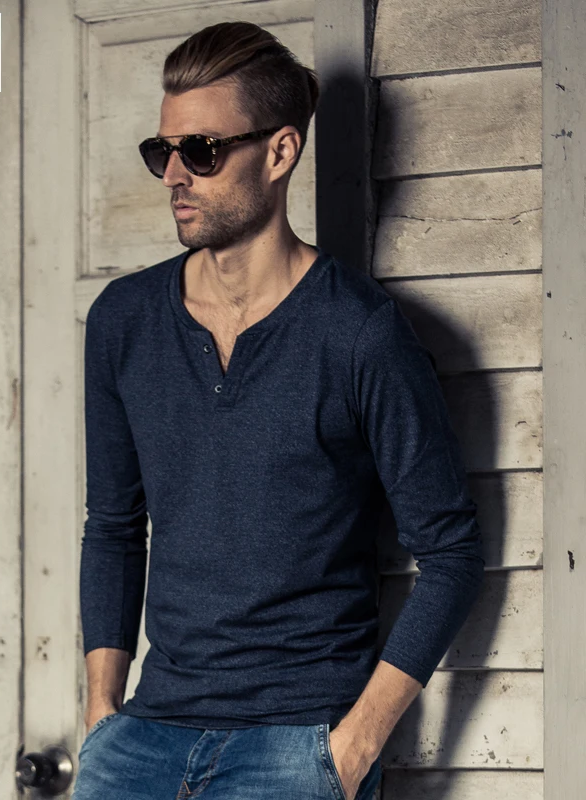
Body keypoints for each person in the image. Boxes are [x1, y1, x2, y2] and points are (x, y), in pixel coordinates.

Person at [73, 20, 485, 800]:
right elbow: (114, 527)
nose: (174, 176)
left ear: (280, 151)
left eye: (201, 151)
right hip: (142, 747)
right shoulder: (123, 322)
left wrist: (353, 749)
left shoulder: (359, 333)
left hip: (298, 749)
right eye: (163, 152)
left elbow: (453, 554)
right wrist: (102, 717)